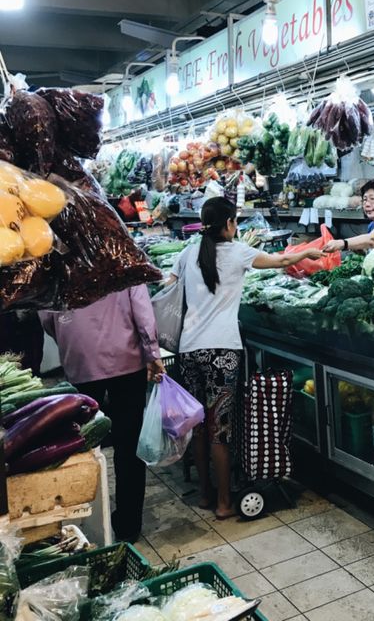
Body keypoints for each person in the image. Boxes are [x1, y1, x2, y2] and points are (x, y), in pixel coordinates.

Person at [168, 196, 322, 520]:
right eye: (235, 221)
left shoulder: (185, 254)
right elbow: (280, 262)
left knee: (197, 424)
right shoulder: (238, 252)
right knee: (220, 429)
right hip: (222, 351)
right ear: (229, 224)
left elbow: (167, 290)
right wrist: (306, 251)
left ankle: (205, 494)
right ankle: (225, 503)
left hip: (189, 349)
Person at [39, 286, 165, 544]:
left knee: (81, 447)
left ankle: (87, 522)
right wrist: (152, 353)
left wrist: (70, 338)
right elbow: (142, 309)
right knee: (129, 446)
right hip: (127, 363)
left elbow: (47, 315)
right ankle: (128, 525)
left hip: (80, 361)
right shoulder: (124, 252)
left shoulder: (61, 257)